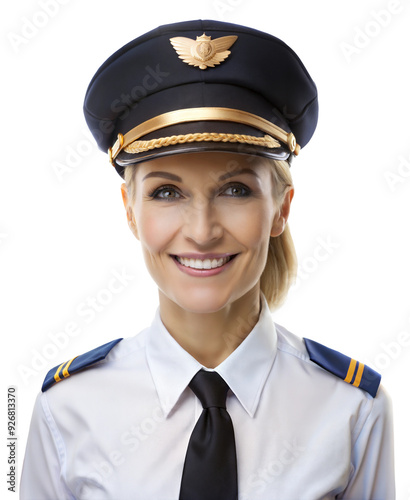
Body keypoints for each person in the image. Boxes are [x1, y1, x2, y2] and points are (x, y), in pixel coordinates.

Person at [20, 19, 395, 500]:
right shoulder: (65, 409)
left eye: (235, 190)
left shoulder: (353, 411)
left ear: (281, 209)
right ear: (130, 213)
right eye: (166, 192)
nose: (201, 231)